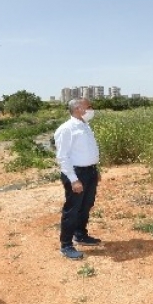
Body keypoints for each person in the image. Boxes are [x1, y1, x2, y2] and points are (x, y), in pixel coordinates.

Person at [54, 98, 102, 260]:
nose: (91, 109)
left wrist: (95, 170)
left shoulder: (84, 125)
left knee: (86, 205)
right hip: (76, 173)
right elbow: (63, 157)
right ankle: (66, 245)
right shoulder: (67, 129)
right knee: (72, 209)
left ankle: (80, 234)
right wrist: (74, 180)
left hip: (90, 172)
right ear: (77, 108)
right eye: (89, 107)